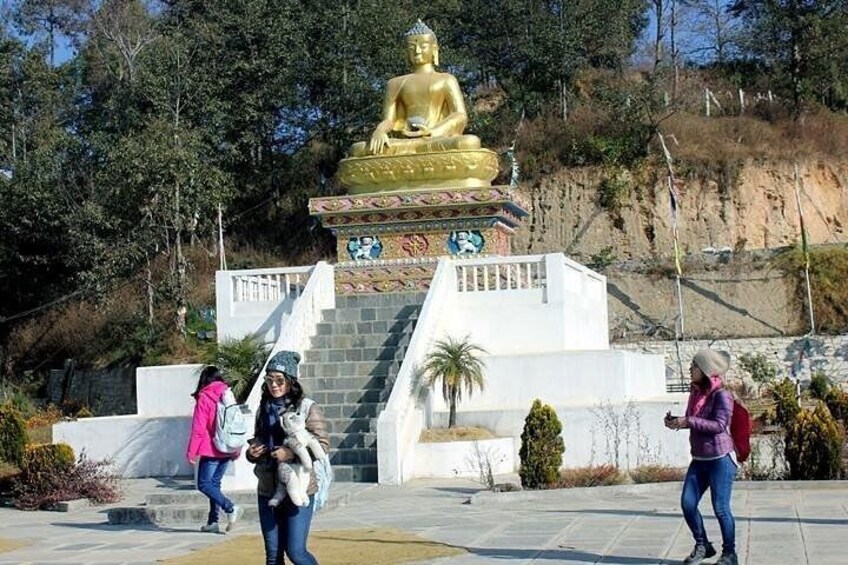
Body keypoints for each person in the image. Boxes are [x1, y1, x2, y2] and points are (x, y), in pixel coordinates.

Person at [349, 19, 480, 157]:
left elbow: (460, 115)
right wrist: (380, 131)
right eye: (411, 47)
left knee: (469, 142)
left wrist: (431, 131)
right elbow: (389, 120)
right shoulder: (395, 83)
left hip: (434, 139)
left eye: (423, 46)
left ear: (434, 49)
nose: (417, 51)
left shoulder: (446, 79)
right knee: (358, 149)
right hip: (405, 142)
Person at [246, 350, 329, 565]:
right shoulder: (263, 408)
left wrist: (290, 453)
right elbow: (258, 438)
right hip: (268, 487)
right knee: (273, 556)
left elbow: (322, 445)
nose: (274, 385)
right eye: (269, 379)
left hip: (298, 488)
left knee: (296, 552)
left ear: (291, 381)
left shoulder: (307, 407)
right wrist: (252, 453)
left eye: (279, 380)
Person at [665, 349, 738, 565]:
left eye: (694, 366)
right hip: (699, 459)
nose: (690, 369)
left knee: (721, 508)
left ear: (705, 370)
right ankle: (703, 545)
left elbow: (719, 425)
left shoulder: (722, 395)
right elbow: (693, 420)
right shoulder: (696, 393)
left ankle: (729, 554)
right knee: (688, 504)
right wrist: (677, 421)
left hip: (720, 459)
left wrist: (688, 422)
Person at [186, 365, 243, 534]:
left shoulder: (205, 396)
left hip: (211, 449)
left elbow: (199, 428)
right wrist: (237, 447)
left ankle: (231, 508)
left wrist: (191, 452)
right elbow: (235, 421)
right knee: (214, 485)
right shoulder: (227, 394)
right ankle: (213, 521)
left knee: (204, 484)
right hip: (227, 447)